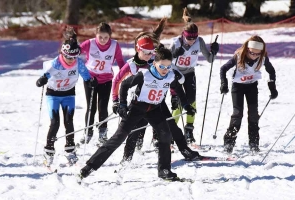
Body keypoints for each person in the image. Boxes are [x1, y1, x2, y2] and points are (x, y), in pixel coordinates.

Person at [77, 45, 197, 182]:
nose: (165, 70)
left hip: (155, 109)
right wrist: (121, 104)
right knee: (118, 138)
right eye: (162, 66)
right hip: (137, 108)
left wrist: (186, 105)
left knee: (166, 135)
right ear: (155, 63)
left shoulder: (170, 76)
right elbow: (124, 85)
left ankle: (164, 170)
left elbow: (178, 89)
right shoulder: (145, 74)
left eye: (168, 67)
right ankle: (89, 167)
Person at [110, 19, 200, 163]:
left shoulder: (154, 59)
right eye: (147, 51)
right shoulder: (131, 65)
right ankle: (126, 160)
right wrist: (117, 102)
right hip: (139, 102)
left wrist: (175, 91)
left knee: (171, 126)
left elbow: (168, 73)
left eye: (152, 50)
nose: (150, 53)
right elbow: (117, 82)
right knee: (134, 131)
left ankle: (185, 150)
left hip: (157, 102)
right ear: (138, 49)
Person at [36, 27, 97, 167]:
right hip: (53, 94)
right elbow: (45, 76)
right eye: (68, 57)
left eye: (74, 57)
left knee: (69, 122)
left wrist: (91, 82)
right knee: (55, 122)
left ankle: (70, 151)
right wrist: (42, 80)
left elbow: (87, 77)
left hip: (69, 94)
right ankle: (49, 151)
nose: (71, 60)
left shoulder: (78, 64)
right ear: (63, 54)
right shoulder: (56, 63)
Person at [169, 8, 219, 145]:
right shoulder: (176, 42)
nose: (191, 41)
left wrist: (214, 51)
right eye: (188, 38)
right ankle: (171, 132)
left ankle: (189, 130)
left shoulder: (199, 41)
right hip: (175, 74)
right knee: (177, 104)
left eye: (194, 38)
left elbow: (209, 59)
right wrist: (174, 54)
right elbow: (164, 60)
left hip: (190, 73)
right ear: (183, 35)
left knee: (191, 101)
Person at [220, 35, 277, 153]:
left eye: (257, 54)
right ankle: (228, 144)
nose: (254, 56)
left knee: (253, 115)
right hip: (238, 87)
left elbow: (271, 71)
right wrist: (224, 84)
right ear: (247, 49)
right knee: (237, 114)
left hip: (252, 86)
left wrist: (272, 87)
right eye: (252, 53)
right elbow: (223, 69)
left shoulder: (263, 57)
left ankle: (254, 144)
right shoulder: (239, 55)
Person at [79, 22, 125, 145]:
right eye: (100, 37)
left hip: (106, 80)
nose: (103, 40)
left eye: (106, 37)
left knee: (103, 107)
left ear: (110, 36)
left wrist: (125, 74)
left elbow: (120, 61)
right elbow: (75, 52)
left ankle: (102, 133)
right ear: (96, 35)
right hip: (90, 79)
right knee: (91, 107)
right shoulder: (89, 43)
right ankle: (87, 132)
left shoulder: (115, 45)